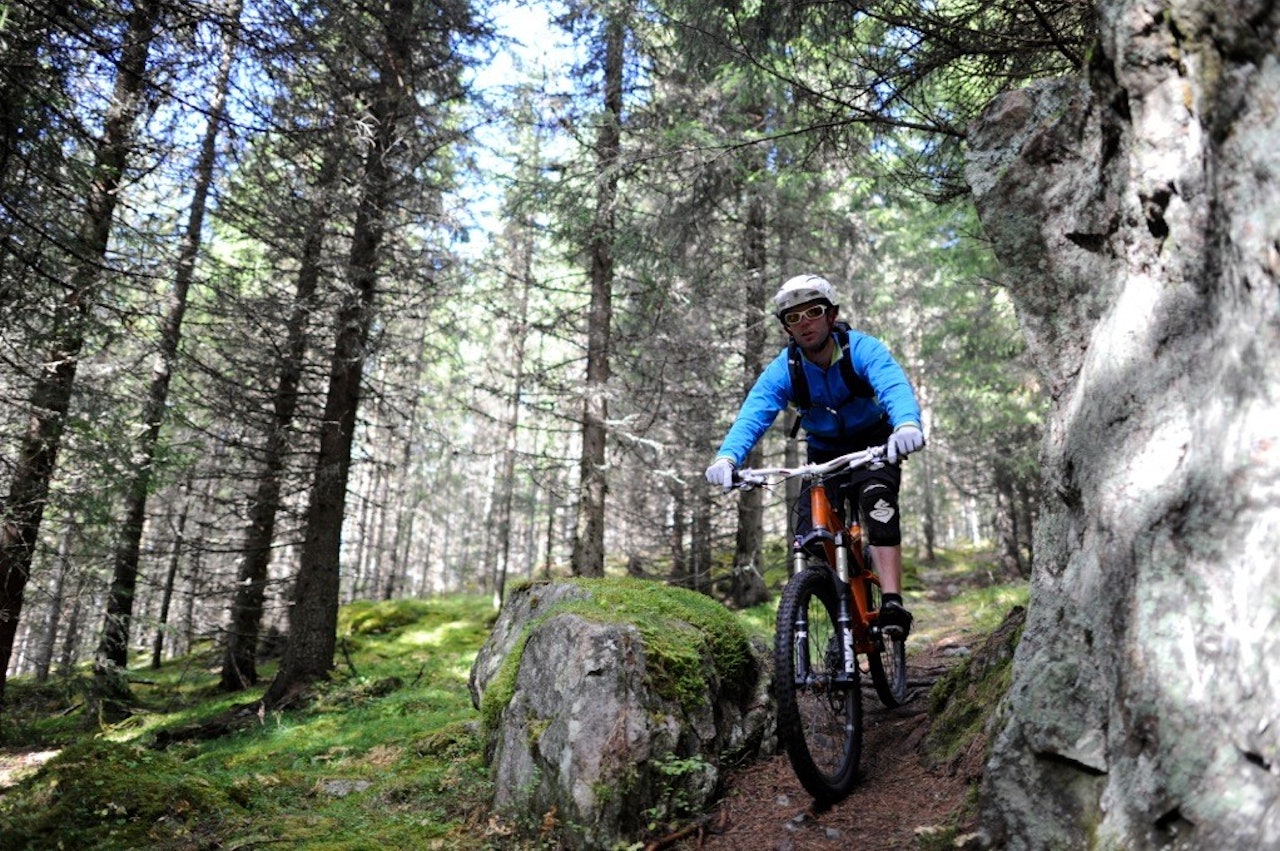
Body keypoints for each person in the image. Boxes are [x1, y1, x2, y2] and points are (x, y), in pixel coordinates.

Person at [705, 273, 925, 631]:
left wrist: (906, 425)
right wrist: (728, 457)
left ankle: (891, 601)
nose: (804, 323)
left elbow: (892, 385)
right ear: (786, 328)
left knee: (878, 504)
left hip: (874, 446)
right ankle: (840, 616)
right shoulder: (785, 368)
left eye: (813, 312)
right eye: (793, 317)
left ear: (831, 314)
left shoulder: (861, 349)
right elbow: (754, 413)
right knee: (810, 533)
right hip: (823, 453)